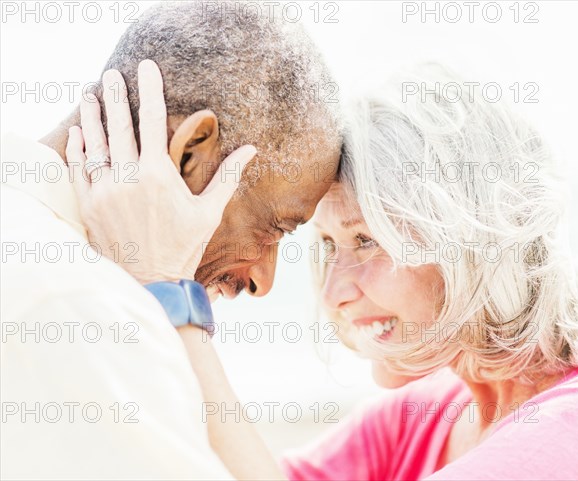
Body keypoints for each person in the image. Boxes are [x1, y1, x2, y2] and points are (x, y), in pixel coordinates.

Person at [75, 64, 578, 480]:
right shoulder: (425, 414)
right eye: (328, 245)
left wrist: (170, 293)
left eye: (366, 241)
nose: (333, 292)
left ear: (475, 241)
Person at [0, 1, 340, 479]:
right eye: (276, 227)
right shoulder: (74, 304)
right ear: (187, 154)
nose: (263, 280)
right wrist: (168, 293)